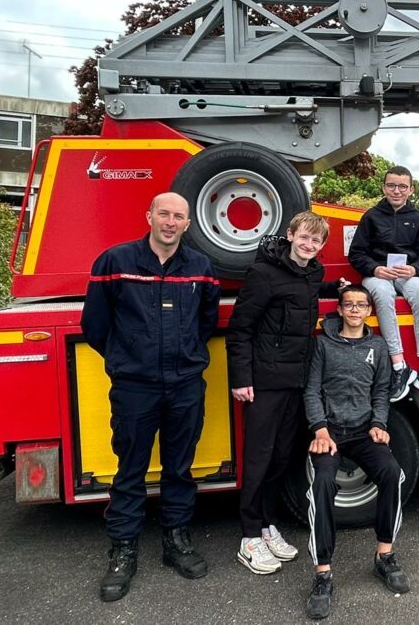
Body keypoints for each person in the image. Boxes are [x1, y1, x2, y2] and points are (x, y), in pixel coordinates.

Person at [81, 192, 221, 603]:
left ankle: (175, 540)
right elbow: (95, 325)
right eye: (164, 213)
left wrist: (184, 357)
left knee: (179, 467)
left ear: (187, 224)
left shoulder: (201, 268)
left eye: (179, 216)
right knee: (130, 471)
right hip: (134, 387)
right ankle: (123, 551)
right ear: (150, 216)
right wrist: (127, 358)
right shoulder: (115, 263)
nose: (171, 222)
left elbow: (206, 322)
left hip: (184, 385)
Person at [226, 211, 333, 576]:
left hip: (296, 381)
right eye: (304, 237)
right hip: (264, 382)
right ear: (290, 235)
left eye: (316, 241)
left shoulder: (312, 273)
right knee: (258, 458)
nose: (309, 245)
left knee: (282, 457)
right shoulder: (263, 273)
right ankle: (249, 536)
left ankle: (269, 525)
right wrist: (241, 379)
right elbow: (240, 329)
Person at [303, 285, 410, 620]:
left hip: (364, 431)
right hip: (330, 433)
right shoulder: (322, 344)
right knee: (321, 484)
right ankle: (322, 575)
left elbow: (381, 391)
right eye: (348, 304)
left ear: (368, 311)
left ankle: (385, 556)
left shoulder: (377, 346)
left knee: (392, 473)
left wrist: (379, 423)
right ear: (339, 309)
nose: (354, 310)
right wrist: (320, 428)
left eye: (361, 305)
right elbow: (311, 390)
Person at [348, 165, 419, 404]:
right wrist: (375, 269)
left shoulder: (417, 218)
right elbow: (356, 254)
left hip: (406, 273)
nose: (396, 191)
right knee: (381, 294)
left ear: (410, 189)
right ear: (384, 187)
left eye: (402, 186)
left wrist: (415, 269)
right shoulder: (371, 216)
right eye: (391, 185)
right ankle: (400, 366)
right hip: (378, 273)